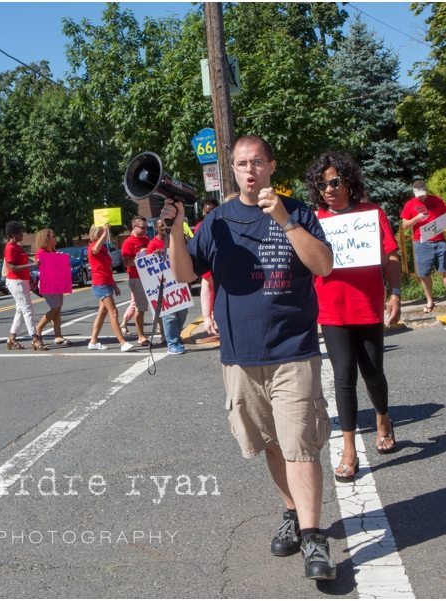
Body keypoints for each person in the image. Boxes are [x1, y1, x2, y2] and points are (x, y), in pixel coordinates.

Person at [164, 135, 336, 580]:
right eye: (241, 164)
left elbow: (323, 266)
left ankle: (315, 540)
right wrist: (175, 229)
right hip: (239, 358)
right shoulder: (217, 222)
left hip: (292, 351)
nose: (249, 170)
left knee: (300, 445)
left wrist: (284, 219)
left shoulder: (297, 211)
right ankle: (293, 515)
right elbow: (184, 273)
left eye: (256, 162)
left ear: (271, 166)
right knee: (272, 444)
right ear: (232, 170)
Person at [305, 152, 401, 482]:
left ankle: (383, 418)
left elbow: (391, 256)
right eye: (322, 184)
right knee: (343, 376)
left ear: (348, 181)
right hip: (332, 311)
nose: (328, 189)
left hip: (366, 305)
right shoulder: (313, 221)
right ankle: (349, 449)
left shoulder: (372, 213)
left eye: (334, 181)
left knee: (373, 372)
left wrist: (396, 293)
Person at [400, 178, 446, 312]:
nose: (421, 197)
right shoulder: (410, 204)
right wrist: (416, 218)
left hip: (439, 240)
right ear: (414, 192)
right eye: (419, 195)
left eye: (423, 194)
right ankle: (429, 300)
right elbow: (404, 225)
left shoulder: (437, 200)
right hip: (422, 242)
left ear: (426, 190)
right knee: (424, 273)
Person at [88, 223, 134, 352]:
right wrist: (104, 233)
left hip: (107, 281)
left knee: (102, 313)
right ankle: (122, 342)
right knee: (113, 312)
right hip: (100, 283)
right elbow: (95, 250)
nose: (104, 233)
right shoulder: (93, 246)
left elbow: (107, 269)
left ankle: (93, 341)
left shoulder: (103, 248)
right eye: (101, 231)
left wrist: (114, 285)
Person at [3, 221, 45, 351]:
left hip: (22, 281)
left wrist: (35, 263)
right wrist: (31, 265)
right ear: (13, 234)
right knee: (28, 309)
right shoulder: (10, 247)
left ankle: (11, 338)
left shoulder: (17, 247)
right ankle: (35, 338)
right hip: (16, 282)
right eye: (20, 232)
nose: (22, 234)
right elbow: (12, 267)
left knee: (21, 311)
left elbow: (26, 261)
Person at [146, 219, 185, 354]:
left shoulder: (174, 238)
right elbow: (147, 265)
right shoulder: (153, 244)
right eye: (161, 226)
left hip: (178, 281)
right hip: (162, 284)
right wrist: (154, 256)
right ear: (156, 228)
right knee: (170, 315)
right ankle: (172, 343)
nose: (163, 227)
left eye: (165, 225)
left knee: (182, 312)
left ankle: (176, 336)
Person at [33, 228, 70, 346]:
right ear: (46, 238)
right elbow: (46, 267)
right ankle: (38, 328)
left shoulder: (53, 251)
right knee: (55, 308)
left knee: (58, 310)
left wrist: (63, 260)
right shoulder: (41, 252)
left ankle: (58, 336)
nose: (55, 238)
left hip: (57, 283)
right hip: (48, 284)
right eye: (53, 236)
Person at [121, 215, 151, 346]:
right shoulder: (128, 242)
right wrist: (139, 257)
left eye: (146, 227)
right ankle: (141, 335)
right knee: (140, 307)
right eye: (143, 228)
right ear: (134, 227)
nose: (145, 230)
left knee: (154, 305)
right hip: (136, 278)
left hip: (148, 276)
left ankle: (161, 330)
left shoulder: (146, 239)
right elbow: (126, 263)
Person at [195, 199, 219, 336]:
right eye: (207, 212)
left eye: (212, 212)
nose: (209, 215)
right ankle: (208, 317)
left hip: (222, 263)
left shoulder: (224, 224)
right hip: (208, 264)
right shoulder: (200, 226)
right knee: (208, 285)